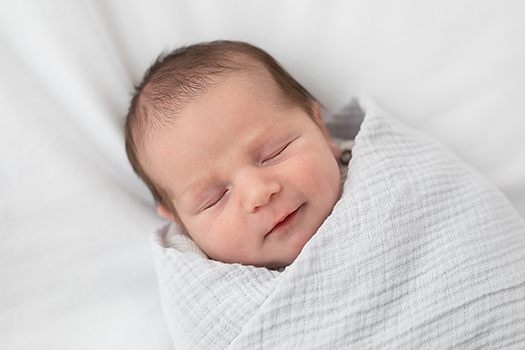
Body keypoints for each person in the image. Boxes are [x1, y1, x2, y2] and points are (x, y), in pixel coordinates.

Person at [125, 40, 351, 269]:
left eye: (275, 153)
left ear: (321, 130)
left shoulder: (378, 170)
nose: (258, 194)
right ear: (180, 220)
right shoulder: (201, 281)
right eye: (215, 198)